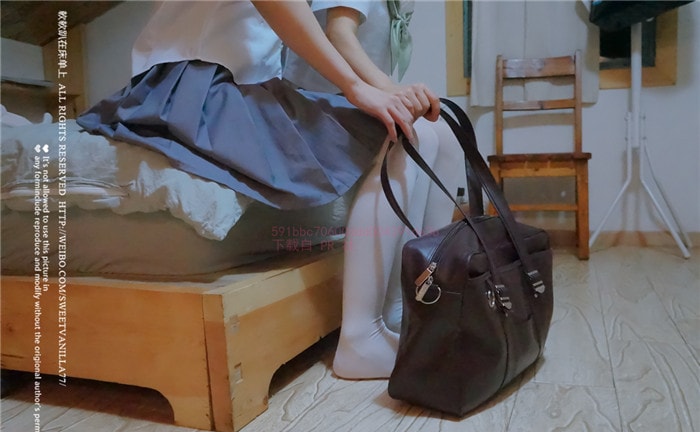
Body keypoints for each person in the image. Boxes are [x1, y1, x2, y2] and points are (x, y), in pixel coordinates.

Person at [76, 0, 442, 380]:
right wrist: (356, 88)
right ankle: (362, 336)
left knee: (413, 132)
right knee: (399, 136)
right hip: (194, 82)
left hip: (241, 84)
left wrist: (382, 90)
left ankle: (392, 317)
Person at [284, 0, 465, 378]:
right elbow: (338, 32)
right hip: (313, 104)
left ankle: (409, 303)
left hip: (343, 101)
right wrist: (390, 90)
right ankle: (362, 334)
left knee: (444, 135)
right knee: (414, 138)